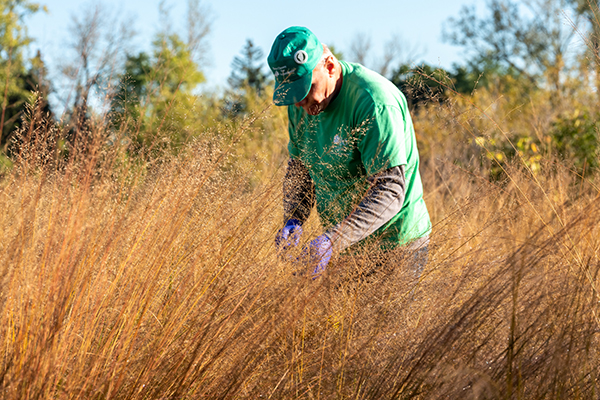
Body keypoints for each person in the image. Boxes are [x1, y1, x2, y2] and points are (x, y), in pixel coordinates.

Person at [269, 26, 431, 277]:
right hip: (345, 248)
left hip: (396, 246)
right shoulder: (301, 105)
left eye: (306, 88)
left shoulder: (374, 101)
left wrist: (333, 240)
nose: (300, 103)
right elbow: (300, 169)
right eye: (293, 94)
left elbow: (390, 188)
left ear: (330, 67)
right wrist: (294, 218)